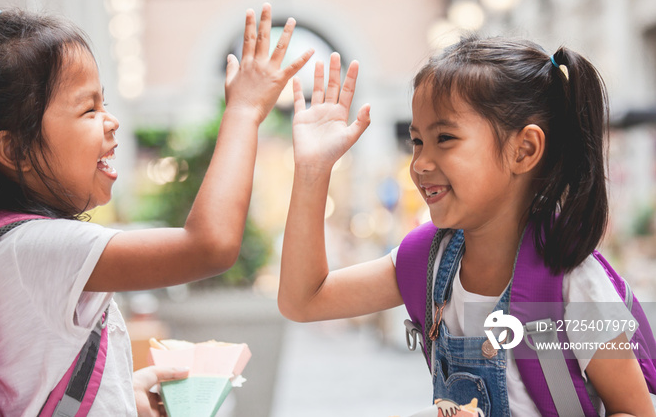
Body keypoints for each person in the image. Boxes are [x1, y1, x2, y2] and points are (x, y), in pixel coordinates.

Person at [0, 4, 312, 416]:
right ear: (15, 150)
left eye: (104, 103)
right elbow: (209, 245)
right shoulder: (31, 247)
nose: (111, 121)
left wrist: (125, 394)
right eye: (88, 109)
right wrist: (244, 112)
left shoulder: (0, 246)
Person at [278, 38, 656, 416]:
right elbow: (304, 299)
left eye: (445, 138)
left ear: (523, 150)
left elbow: (637, 411)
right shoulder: (428, 261)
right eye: (416, 141)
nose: (421, 163)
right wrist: (313, 171)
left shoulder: (571, 282)